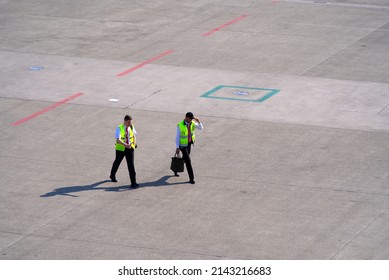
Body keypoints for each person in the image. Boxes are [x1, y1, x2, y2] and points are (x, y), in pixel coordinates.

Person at [110, 115, 139, 188]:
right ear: (125, 121)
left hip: (130, 148)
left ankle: (133, 182)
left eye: (131, 122)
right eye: (128, 122)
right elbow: (118, 140)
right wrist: (125, 145)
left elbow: (134, 135)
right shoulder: (119, 128)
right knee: (117, 162)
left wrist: (135, 143)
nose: (130, 124)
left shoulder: (131, 126)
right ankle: (112, 175)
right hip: (121, 149)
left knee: (131, 165)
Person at [175, 112, 203, 184]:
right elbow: (177, 137)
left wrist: (198, 121)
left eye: (192, 119)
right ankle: (191, 178)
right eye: (190, 119)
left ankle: (175, 168)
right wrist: (177, 147)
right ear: (186, 118)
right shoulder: (180, 125)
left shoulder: (192, 123)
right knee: (188, 161)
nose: (191, 120)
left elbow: (201, 128)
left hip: (189, 145)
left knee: (184, 159)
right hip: (182, 146)